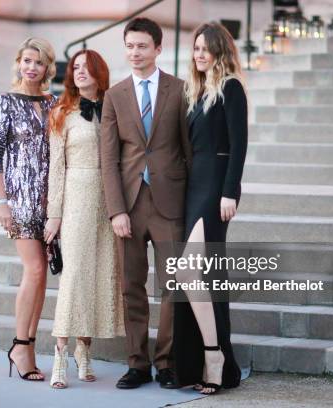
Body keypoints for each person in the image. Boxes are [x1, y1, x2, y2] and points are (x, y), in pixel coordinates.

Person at [100, 17, 191, 390]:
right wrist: (116, 210)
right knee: (131, 286)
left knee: (174, 285)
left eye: (142, 46)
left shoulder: (181, 89)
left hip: (171, 202)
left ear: (158, 48)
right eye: (129, 46)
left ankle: (167, 361)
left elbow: (189, 150)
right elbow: (109, 158)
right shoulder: (114, 95)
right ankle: (137, 363)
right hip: (131, 205)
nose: (135, 52)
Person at [173, 22, 247, 395]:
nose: (198, 55)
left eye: (205, 49)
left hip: (215, 190)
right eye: (195, 48)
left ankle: (214, 354)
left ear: (220, 51)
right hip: (193, 188)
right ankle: (208, 357)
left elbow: (239, 144)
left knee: (187, 272)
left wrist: (230, 192)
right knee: (200, 276)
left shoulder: (231, 87)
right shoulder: (197, 91)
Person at [44, 49, 125, 389]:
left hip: (109, 201)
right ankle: (60, 356)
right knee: (75, 276)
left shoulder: (115, 108)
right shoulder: (62, 112)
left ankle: (84, 350)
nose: (78, 72)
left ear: (99, 72)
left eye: (85, 67)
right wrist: (54, 214)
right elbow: (56, 169)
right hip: (76, 196)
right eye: (74, 68)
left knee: (101, 275)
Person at [0, 37, 57, 382]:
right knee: (34, 270)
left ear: (47, 68)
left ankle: (28, 344)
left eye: (38, 63)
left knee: (42, 274)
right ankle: (20, 345)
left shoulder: (54, 102)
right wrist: (2, 201)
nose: (31, 67)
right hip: (20, 200)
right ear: (18, 62)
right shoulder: (4, 102)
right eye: (27, 60)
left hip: (50, 201)